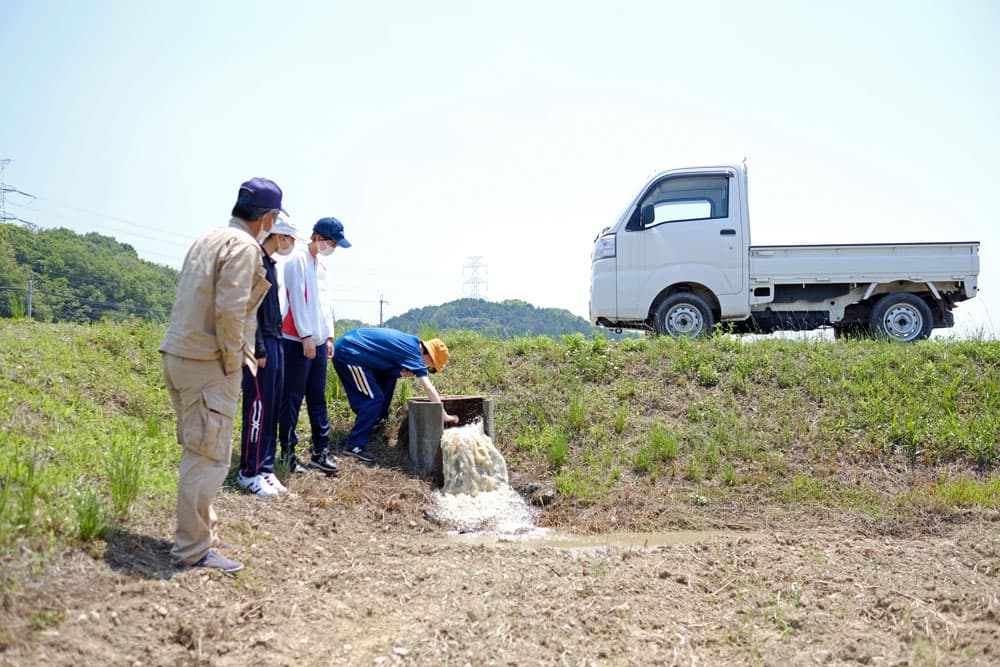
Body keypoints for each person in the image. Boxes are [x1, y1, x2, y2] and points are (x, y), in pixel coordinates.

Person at [159, 177, 285, 573]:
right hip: (207, 361)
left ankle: (203, 530)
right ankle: (192, 549)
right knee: (208, 456)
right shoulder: (246, 247)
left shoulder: (208, 237)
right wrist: (235, 361)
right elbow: (231, 311)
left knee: (200, 448)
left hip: (180, 353)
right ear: (268, 217)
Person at [278, 217, 350, 476]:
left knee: (317, 398)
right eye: (331, 243)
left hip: (318, 341)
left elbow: (325, 304)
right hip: (296, 340)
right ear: (317, 238)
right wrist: (306, 335)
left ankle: (320, 452)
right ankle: (287, 453)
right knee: (292, 399)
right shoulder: (296, 261)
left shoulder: (323, 266)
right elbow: (296, 300)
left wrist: (328, 337)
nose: (332, 248)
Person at [236, 216, 302, 497]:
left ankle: (265, 468)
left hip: (277, 341)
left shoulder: (271, 264)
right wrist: (258, 346)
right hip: (260, 344)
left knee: (272, 409)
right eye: (290, 238)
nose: (292, 244)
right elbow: (247, 308)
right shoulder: (256, 260)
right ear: (278, 234)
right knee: (258, 409)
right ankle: (248, 471)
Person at [332, 327, 458, 463]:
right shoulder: (415, 354)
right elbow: (428, 386)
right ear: (430, 356)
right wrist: (443, 414)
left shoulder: (412, 344)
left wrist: (399, 372)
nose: (428, 368)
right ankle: (354, 445)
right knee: (373, 399)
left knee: (390, 379)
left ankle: (375, 423)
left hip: (356, 349)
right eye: (431, 367)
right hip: (350, 352)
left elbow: (386, 360)